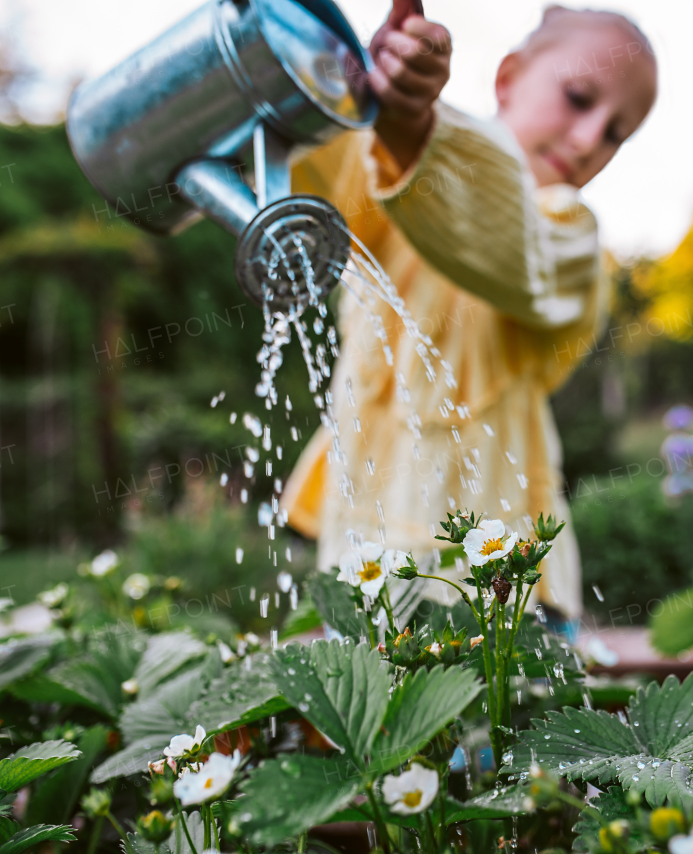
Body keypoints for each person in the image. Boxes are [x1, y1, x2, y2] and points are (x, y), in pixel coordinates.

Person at [280, 3, 658, 628]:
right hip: (364, 560)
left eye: (617, 132)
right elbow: (325, 171)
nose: (591, 139)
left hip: (507, 593)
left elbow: (504, 246)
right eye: (578, 97)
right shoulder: (388, 175)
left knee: (513, 724)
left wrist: (415, 130)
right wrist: (369, 92)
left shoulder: (570, 238)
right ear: (507, 78)